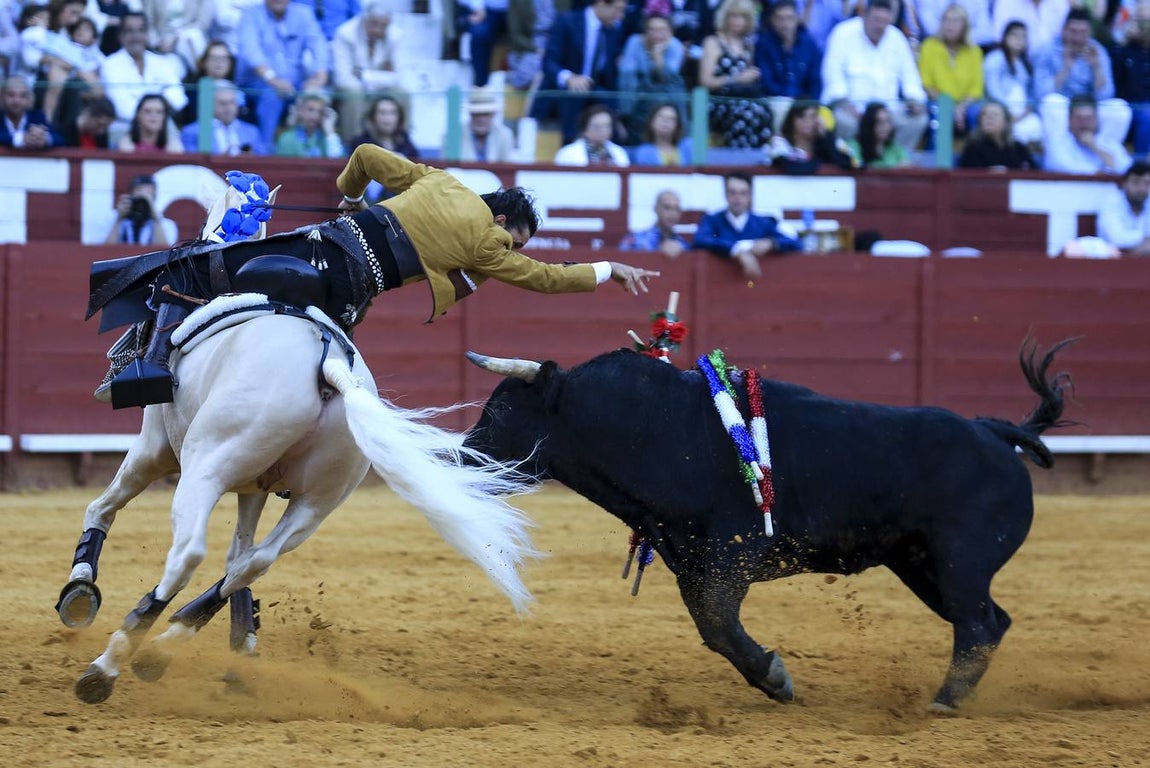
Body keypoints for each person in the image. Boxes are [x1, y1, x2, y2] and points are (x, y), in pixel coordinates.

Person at [89, 151, 661, 405]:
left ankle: (147, 359)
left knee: (214, 265)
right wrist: (610, 270)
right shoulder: (489, 242)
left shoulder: (442, 181)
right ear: (505, 221)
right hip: (346, 290)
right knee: (334, 383)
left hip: (319, 244)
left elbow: (363, 153)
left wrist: (351, 199)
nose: (511, 251)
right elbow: (545, 279)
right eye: (515, 240)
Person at [821, 0, 928, 153]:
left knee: (919, 120)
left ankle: (895, 160)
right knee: (842, 120)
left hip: (889, 113)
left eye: (885, 21)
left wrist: (915, 100)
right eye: (876, 20)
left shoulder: (897, 38)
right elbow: (832, 72)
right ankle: (852, 158)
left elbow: (910, 76)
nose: (880, 26)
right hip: (853, 110)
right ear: (864, 16)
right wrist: (843, 102)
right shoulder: (843, 33)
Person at [235, 0, 331, 151]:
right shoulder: (251, 15)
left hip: (294, 83)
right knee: (272, 96)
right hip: (258, 82)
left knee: (319, 95)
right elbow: (251, 53)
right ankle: (265, 152)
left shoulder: (303, 13)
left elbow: (318, 44)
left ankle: (321, 151)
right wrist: (273, 80)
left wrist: (319, 77)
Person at [1032, 7, 1131, 146]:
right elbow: (1041, 94)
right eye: (1073, 31)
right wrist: (1065, 69)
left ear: (1090, 32)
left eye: (1083, 32)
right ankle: (1061, 156)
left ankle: (1103, 157)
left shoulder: (1098, 51)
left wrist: (1096, 68)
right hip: (1063, 107)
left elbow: (1106, 95)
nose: (1078, 37)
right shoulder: (1047, 51)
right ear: (1063, 30)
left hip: (1090, 108)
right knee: (1052, 103)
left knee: (1120, 109)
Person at [536, 0, 627, 144]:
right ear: (601, 3)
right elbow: (549, 63)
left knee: (609, 101)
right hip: (562, 92)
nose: (621, 16)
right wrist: (569, 78)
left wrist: (618, 115)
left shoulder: (613, 30)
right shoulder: (567, 21)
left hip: (594, 92)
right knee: (576, 92)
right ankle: (570, 148)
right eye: (618, 9)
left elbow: (609, 76)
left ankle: (611, 156)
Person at [692, 170, 800, 278]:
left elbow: (795, 243)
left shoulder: (763, 222)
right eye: (732, 192)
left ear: (750, 196)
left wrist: (771, 243)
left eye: (743, 193)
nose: (737, 198)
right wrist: (736, 250)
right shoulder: (712, 220)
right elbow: (700, 240)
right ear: (725, 195)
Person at [699, 0, 773, 148]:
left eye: (743, 17)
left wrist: (752, 76)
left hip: (743, 98)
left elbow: (748, 79)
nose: (738, 21)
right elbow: (705, 81)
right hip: (718, 101)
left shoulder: (748, 45)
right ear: (725, 17)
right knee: (747, 113)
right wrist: (736, 78)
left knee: (764, 110)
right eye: (733, 16)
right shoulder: (713, 42)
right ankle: (740, 159)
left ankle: (760, 158)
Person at [100, 12, 189, 133]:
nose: (136, 36)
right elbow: (123, 108)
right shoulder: (110, 64)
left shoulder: (161, 62)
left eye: (141, 30)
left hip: (161, 125)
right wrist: (158, 108)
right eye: (130, 31)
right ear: (121, 36)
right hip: (126, 127)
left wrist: (154, 113)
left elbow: (179, 97)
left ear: (147, 34)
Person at [331, 0, 400, 143]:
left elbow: (398, 78)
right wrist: (382, 77)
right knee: (354, 94)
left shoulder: (395, 35)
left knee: (402, 93)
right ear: (364, 21)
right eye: (374, 25)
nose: (378, 30)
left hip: (374, 88)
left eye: (383, 26)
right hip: (353, 90)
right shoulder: (345, 33)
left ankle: (400, 145)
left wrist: (364, 75)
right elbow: (343, 79)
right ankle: (355, 149)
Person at [617, 9, 688, 144]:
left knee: (675, 87)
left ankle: (679, 138)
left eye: (663, 30)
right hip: (640, 95)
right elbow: (628, 77)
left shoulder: (675, 45)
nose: (657, 34)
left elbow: (667, 78)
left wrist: (658, 57)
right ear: (645, 31)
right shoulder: (634, 42)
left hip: (668, 95)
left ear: (670, 32)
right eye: (653, 30)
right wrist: (624, 113)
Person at [754, 0, 822, 131]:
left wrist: (807, 103)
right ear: (772, 20)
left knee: (825, 119)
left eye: (789, 18)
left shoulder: (809, 44)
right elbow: (766, 82)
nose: (785, 24)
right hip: (775, 101)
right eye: (780, 18)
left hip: (805, 103)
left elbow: (815, 81)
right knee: (782, 109)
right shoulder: (763, 44)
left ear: (797, 18)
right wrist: (791, 101)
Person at [917, 3, 983, 136]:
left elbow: (976, 89)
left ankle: (978, 155)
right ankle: (937, 156)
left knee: (979, 113)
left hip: (966, 105)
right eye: (946, 20)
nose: (950, 25)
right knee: (939, 113)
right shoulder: (929, 46)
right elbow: (926, 84)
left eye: (955, 21)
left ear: (965, 26)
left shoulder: (975, 52)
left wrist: (961, 107)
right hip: (937, 102)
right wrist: (950, 107)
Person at [982, 20, 1044, 145]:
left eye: (1023, 36)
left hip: (1023, 113)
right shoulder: (995, 58)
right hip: (1000, 109)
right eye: (1015, 35)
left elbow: (1031, 94)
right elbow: (992, 90)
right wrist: (1008, 113)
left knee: (1037, 127)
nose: (1019, 40)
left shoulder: (1026, 64)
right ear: (1005, 37)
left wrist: (1026, 111)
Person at [1042, 94, 1132, 174]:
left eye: (1088, 118)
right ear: (1069, 121)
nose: (1084, 123)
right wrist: (1097, 174)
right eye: (1079, 118)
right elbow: (1059, 166)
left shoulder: (1108, 142)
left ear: (1096, 121)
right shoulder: (1058, 143)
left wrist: (1094, 147)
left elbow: (1126, 168)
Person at [180, 79, 267, 155]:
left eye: (232, 102)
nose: (228, 108)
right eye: (223, 103)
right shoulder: (192, 131)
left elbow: (263, 160)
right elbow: (192, 163)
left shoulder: (252, 131)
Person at [767, 100, 855, 172]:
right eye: (801, 116)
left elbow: (847, 164)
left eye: (813, 116)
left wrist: (826, 135)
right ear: (792, 119)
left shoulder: (829, 142)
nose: (807, 121)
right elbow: (790, 167)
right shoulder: (781, 142)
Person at [1113, 1, 1150, 156]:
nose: (1144, 28)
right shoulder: (1123, 50)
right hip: (1130, 105)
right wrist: (1124, 40)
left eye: (1147, 23)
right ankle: (1140, 164)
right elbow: (1114, 82)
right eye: (1140, 22)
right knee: (1147, 114)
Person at [957, 99, 1037, 169]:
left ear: (1006, 123)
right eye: (984, 114)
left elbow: (1034, 173)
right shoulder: (972, 148)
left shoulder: (1018, 148)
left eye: (995, 115)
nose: (989, 118)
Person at [102, 172, 177, 246]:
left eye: (148, 195)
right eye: (139, 192)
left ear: (154, 198)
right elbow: (104, 251)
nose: (142, 199)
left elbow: (165, 253)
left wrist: (156, 219)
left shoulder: (166, 224)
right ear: (130, 195)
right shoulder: (112, 218)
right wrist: (119, 219)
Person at [619, 188, 689, 258]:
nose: (672, 213)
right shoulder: (635, 239)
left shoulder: (682, 245)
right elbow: (621, 258)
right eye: (667, 208)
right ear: (656, 209)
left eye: (676, 209)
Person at [1097, 161, 1150, 253]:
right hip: (1110, 261)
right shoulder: (1112, 202)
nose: (1142, 188)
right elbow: (1117, 239)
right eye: (1136, 182)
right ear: (1124, 184)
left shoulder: (1148, 202)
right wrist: (1145, 239)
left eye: (1147, 183)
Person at [554, 103, 631, 166]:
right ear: (584, 129)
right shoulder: (567, 153)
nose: (603, 130)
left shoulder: (619, 153)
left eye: (607, 126)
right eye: (597, 126)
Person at [0, 74, 63, 149]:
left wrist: (44, 139)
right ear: (2, 97)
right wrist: (22, 139)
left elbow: (59, 139)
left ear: (29, 99)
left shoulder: (37, 117)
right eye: (11, 95)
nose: (16, 101)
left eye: (22, 96)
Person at [274, 91, 345, 157]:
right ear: (300, 110)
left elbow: (338, 164)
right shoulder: (287, 138)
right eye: (310, 110)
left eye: (320, 112)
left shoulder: (327, 138)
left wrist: (329, 131)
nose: (315, 115)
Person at [347, 94, 419, 157]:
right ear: (373, 117)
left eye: (392, 113)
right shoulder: (360, 143)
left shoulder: (404, 140)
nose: (388, 118)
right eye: (382, 113)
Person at [458, 87, 516, 162]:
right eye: (477, 114)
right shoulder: (453, 136)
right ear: (470, 114)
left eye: (486, 114)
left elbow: (507, 167)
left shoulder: (505, 135)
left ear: (493, 115)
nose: (481, 119)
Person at [847, 101, 911, 168]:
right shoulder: (852, 146)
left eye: (888, 121)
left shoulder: (897, 149)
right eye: (878, 122)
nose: (885, 126)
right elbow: (855, 167)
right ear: (868, 124)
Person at [117, 92, 184, 152]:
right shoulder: (126, 143)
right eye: (148, 111)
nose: (153, 116)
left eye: (159, 112)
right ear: (138, 115)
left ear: (165, 117)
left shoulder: (173, 144)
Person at [630, 101, 692, 166]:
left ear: (678, 125)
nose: (666, 121)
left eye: (671, 119)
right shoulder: (644, 152)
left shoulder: (688, 146)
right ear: (651, 122)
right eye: (661, 117)